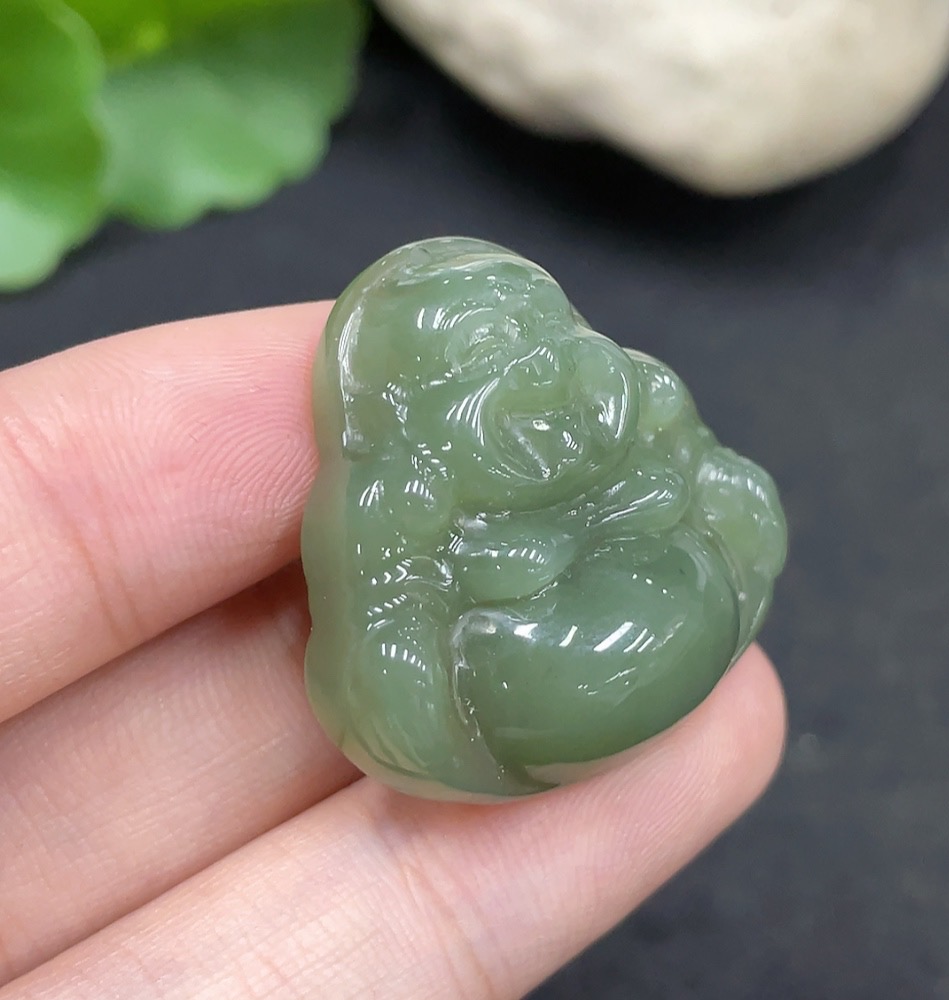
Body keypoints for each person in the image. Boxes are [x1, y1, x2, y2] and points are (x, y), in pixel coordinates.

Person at [0, 304, 785, 999]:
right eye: (484, 351)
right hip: (538, 657)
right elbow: (388, 668)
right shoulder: (399, 498)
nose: (542, 364)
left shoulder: (634, 402)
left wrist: (700, 501)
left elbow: (715, 483)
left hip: (667, 592)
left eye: (541, 327)